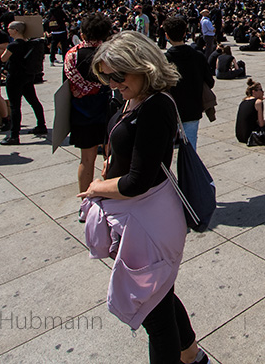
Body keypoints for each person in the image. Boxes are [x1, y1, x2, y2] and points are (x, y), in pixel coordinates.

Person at [79, 31, 207, 364]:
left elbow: (138, 180)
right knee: (160, 295)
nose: (112, 83)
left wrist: (96, 188)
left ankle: (190, 355)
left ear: (143, 66)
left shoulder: (156, 106)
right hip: (139, 216)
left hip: (148, 219)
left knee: (155, 315)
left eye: (118, 76)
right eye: (106, 77)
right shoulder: (132, 97)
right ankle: (192, 355)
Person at [64, 13, 114, 205]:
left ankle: (86, 203)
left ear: (83, 33)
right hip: (107, 110)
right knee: (110, 157)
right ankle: (110, 197)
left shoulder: (72, 55)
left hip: (82, 111)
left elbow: (67, 87)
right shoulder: (109, 54)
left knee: (86, 159)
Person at [164, 16, 214, 150]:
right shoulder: (198, 56)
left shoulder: (164, 60)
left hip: (170, 109)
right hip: (192, 108)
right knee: (190, 149)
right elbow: (210, 82)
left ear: (167, 36)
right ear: (185, 34)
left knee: (166, 149)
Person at [0, 21, 47, 145]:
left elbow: (3, 58)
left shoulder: (13, 45)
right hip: (27, 76)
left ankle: (14, 135)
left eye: (9, 28)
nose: (7, 30)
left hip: (14, 77)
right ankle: (41, 125)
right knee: (34, 101)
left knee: (15, 106)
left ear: (15, 30)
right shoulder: (29, 44)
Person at [235, 78, 265, 146]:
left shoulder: (243, 101)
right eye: (260, 90)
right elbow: (261, 124)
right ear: (254, 92)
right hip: (251, 137)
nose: (263, 92)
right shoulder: (258, 102)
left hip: (240, 136)